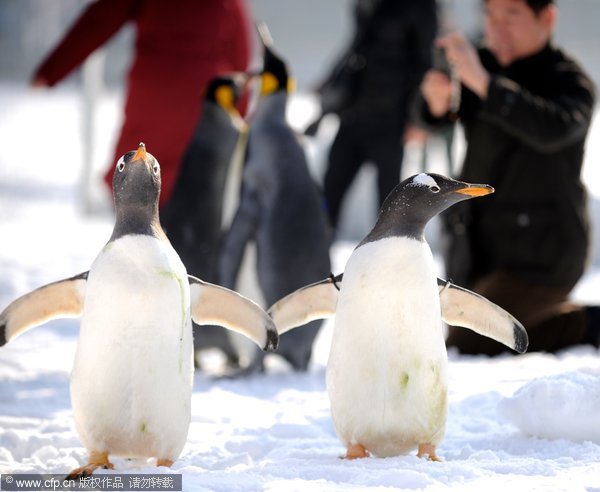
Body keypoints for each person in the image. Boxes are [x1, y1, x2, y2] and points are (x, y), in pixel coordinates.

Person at [416, 0, 598, 354]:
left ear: (547, 17)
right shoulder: (481, 65)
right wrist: (433, 102)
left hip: (543, 254)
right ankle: (567, 321)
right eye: (490, 17)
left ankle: (587, 324)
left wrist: (485, 84)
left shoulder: (570, 81)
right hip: (478, 248)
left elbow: (550, 128)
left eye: (511, 16)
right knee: (470, 331)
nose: (497, 28)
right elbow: (432, 117)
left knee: (472, 341)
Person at [31, 0, 252, 207]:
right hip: (202, 102)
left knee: (134, 187)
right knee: (193, 194)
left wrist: (52, 70)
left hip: (153, 96)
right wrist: (238, 116)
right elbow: (240, 51)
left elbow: (100, 20)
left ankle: (138, 241)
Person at [309, 0, 438, 229]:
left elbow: (425, 63)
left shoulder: (422, 6)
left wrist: (419, 119)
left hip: (391, 120)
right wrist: (330, 80)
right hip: (353, 115)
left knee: (388, 207)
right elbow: (356, 46)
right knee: (329, 195)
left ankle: (385, 260)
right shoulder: (368, 3)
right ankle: (315, 257)